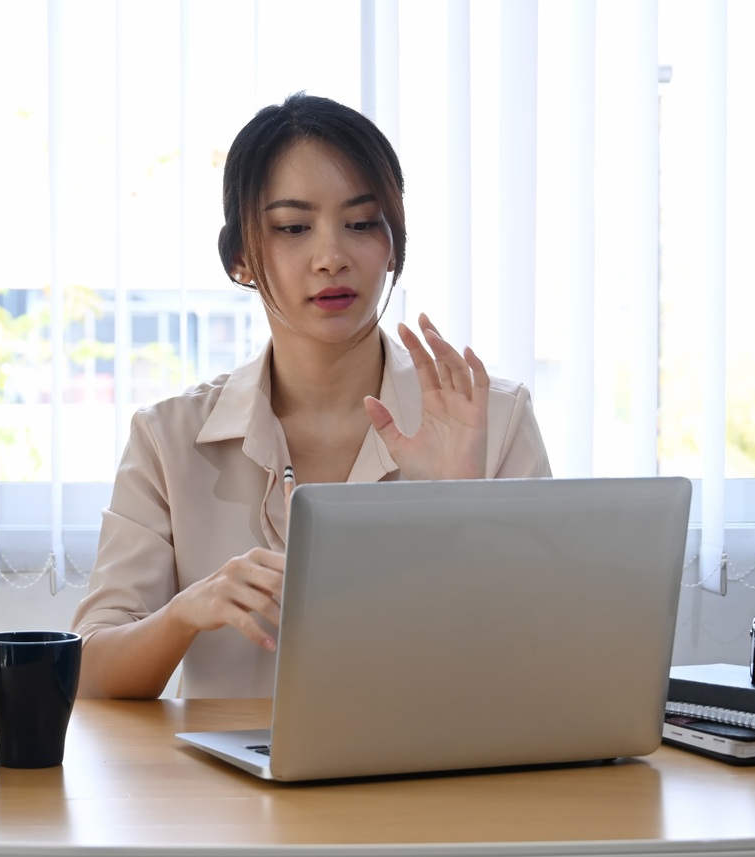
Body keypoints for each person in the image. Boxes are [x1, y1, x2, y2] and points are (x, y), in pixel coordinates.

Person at [70, 93, 552, 699]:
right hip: (230, 790)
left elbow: (540, 664)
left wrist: (453, 510)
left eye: (361, 224)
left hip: (431, 783)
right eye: (293, 228)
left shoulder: (495, 420)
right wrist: (187, 609)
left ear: (393, 245)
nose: (332, 258)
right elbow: (88, 672)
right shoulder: (168, 438)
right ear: (242, 257)